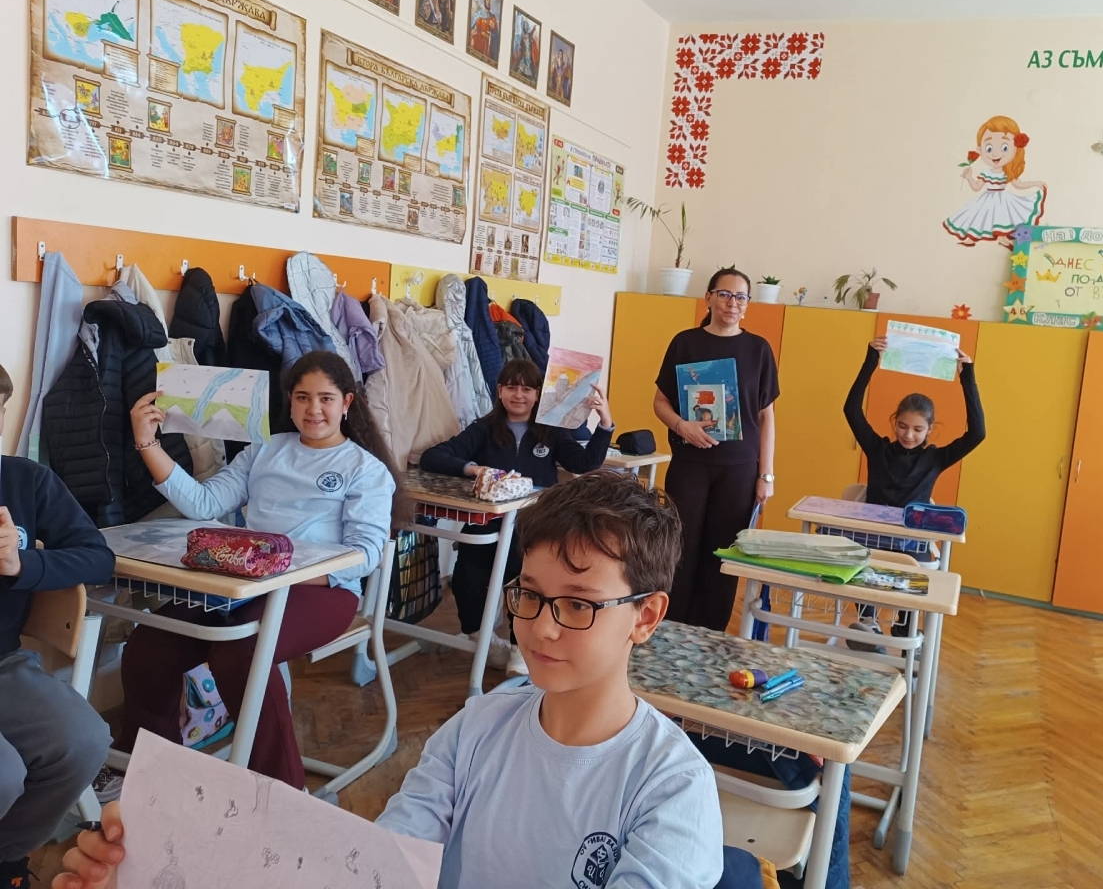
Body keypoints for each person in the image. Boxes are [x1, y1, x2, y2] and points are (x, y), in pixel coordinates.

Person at [55, 473, 725, 889]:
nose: (541, 629)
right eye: (529, 595)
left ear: (646, 617)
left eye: (578, 605)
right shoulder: (477, 728)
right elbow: (385, 863)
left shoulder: (671, 790)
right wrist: (169, 863)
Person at [114, 351, 396, 790]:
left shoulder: (365, 469)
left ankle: (283, 790)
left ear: (346, 403)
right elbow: (204, 504)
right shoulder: (265, 449)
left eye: (325, 398)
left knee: (242, 653)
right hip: (242, 584)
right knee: (149, 647)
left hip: (323, 591)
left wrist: (282, 572)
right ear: (289, 401)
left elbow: (366, 554)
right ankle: (149, 772)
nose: (314, 409)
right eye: (302, 397)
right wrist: (147, 442)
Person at [421, 358, 614, 676]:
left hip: (534, 524)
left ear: (538, 394)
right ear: (499, 390)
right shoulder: (484, 429)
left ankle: (518, 646)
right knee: (466, 577)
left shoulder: (552, 431)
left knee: (523, 579)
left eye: (527, 389)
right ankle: (480, 638)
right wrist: (473, 469)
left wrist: (604, 423)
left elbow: (584, 464)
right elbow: (433, 457)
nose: (519, 395)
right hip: (488, 521)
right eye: (511, 387)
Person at [0, 364, 115, 889]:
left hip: (4, 664)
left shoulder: (25, 479)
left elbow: (97, 557)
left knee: (85, 740)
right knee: (4, 774)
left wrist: (21, 564)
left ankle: (6, 859)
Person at [654, 268, 778, 631]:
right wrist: (682, 426)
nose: (732, 303)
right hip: (690, 463)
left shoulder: (759, 350)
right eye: (724, 294)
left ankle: (711, 634)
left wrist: (766, 475)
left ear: (748, 304)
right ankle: (670, 629)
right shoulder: (685, 343)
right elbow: (660, 402)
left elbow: (767, 417)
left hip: (739, 469)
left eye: (740, 297)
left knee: (723, 554)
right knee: (680, 549)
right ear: (708, 298)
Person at [842, 334, 985, 639]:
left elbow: (978, 433)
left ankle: (905, 626)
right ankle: (868, 622)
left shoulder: (935, 458)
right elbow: (851, 409)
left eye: (918, 429)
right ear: (894, 422)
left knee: (919, 569)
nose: (909, 435)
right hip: (874, 537)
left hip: (912, 544)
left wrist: (968, 376)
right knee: (859, 558)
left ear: (930, 429)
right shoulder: (878, 449)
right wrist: (871, 361)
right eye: (903, 426)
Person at [943, 115, 1047, 248]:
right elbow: (976, 187)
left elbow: (1018, 185)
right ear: (980, 150)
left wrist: (1035, 183)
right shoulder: (986, 172)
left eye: (1004, 147)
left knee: (1002, 218)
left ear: (1015, 148)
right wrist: (969, 177)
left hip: (1003, 199)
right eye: (989, 148)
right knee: (978, 216)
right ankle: (970, 238)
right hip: (987, 199)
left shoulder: (1007, 171)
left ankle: (1002, 239)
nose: (995, 154)